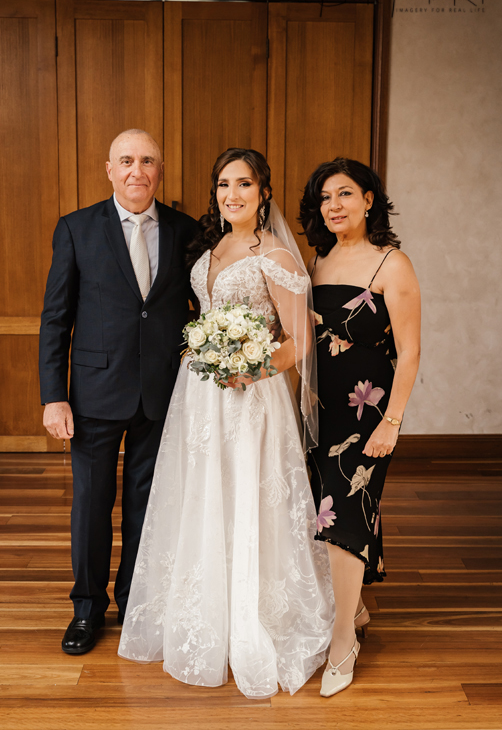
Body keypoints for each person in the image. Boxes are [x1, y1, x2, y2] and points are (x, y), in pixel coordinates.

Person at [119, 148, 333, 699]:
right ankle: (201, 610)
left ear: (264, 193)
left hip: (249, 396)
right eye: (223, 185)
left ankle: (252, 616)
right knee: (200, 492)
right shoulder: (211, 245)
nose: (231, 195)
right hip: (199, 392)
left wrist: (250, 369)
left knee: (246, 495)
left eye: (243, 184)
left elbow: (300, 340)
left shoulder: (277, 256)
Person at [39, 129, 198, 655]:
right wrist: (53, 396)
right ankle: (87, 608)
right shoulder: (76, 228)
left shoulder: (185, 231)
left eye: (147, 161)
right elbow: (56, 318)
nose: (137, 170)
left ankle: (134, 604)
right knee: (91, 505)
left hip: (161, 393)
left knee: (146, 505)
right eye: (126, 160)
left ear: (160, 170)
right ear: (109, 169)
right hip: (93, 394)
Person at [299, 157, 421, 697]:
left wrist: (392, 421)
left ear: (369, 200)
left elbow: (410, 351)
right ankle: (358, 607)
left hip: (367, 410)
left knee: (342, 514)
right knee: (323, 509)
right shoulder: (318, 259)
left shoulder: (393, 264)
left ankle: (342, 641)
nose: (334, 206)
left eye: (345, 194)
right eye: (326, 197)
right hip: (317, 409)